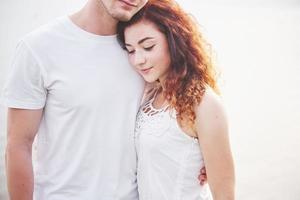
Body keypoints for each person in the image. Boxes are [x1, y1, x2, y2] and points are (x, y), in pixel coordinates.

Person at [2, 0, 207, 199]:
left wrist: (202, 154)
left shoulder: (142, 50)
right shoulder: (38, 48)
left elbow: (190, 97)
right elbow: (19, 144)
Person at [117, 0, 235, 199]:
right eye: (131, 50)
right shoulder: (150, 92)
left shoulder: (204, 104)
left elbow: (225, 195)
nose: (138, 60)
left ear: (174, 40)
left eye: (148, 46)